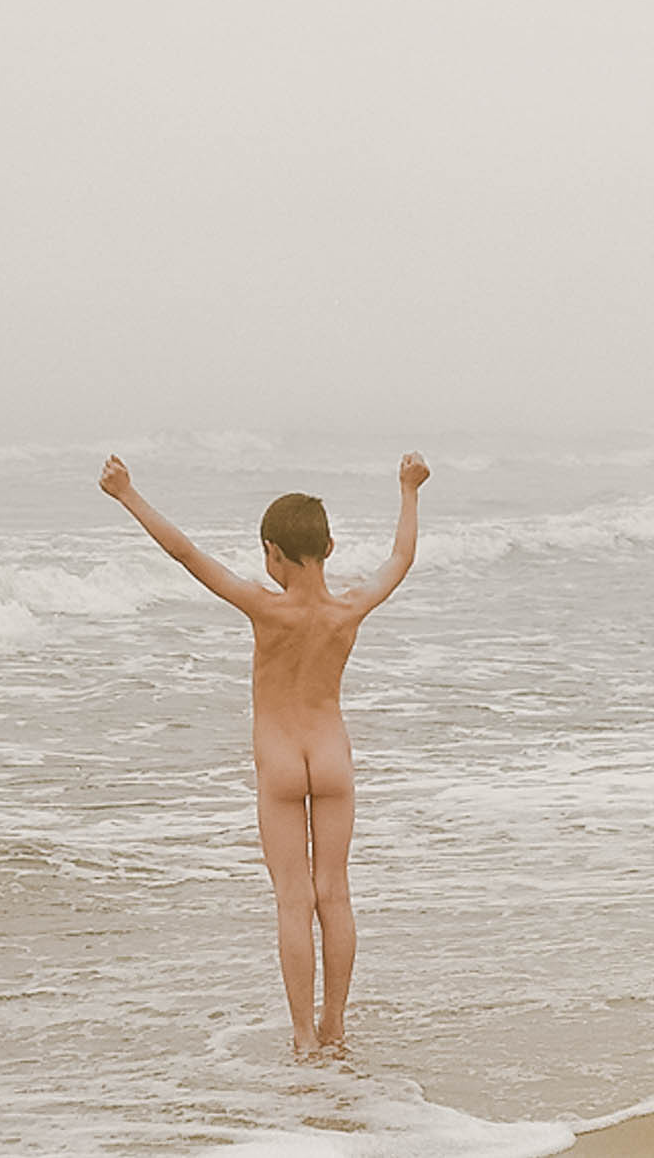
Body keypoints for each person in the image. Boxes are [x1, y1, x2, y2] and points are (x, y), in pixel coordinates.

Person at [98, 449, 430, 1057]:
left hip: (281, 764)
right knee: (335, 892)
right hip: (332, 759)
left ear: (273, 553)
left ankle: (303, 1037)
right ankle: (336, 1026)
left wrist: (127, 495)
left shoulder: (263, 606)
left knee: (293, 899)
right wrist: (408, 489)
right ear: (329, 550)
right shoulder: (348, 607)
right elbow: (402, 557)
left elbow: (186, 554)